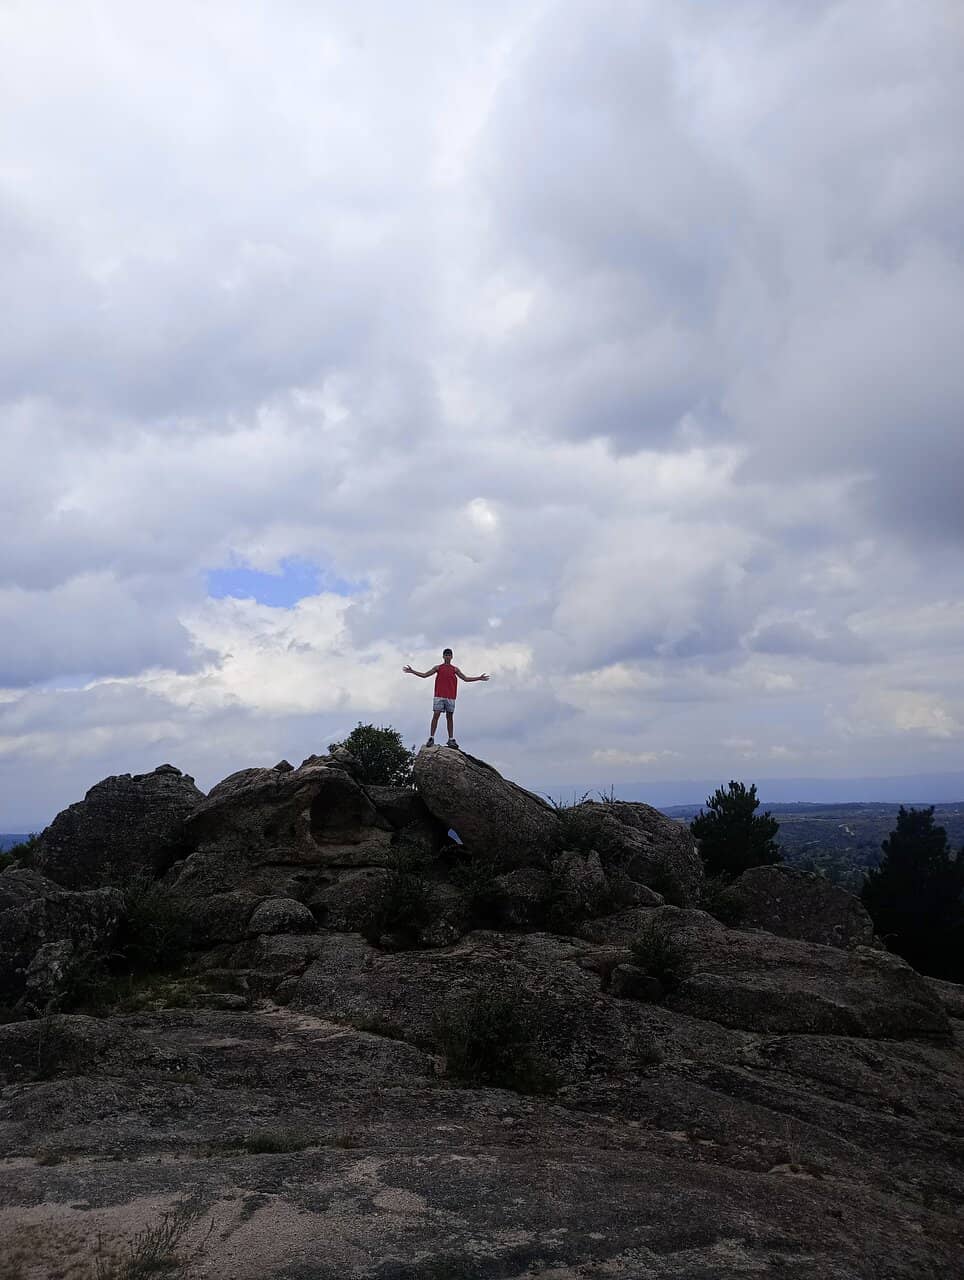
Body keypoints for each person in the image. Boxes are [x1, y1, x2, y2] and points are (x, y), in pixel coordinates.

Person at [402, 648, 489, 748]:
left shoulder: (455, 669)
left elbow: (465, 678)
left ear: (451, 657)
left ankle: (451, 739)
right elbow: (425, 675)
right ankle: (431, 737)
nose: (447, 656)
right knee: (436, 715)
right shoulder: (438, 668)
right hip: (439, 695)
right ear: (443, 656)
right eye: (446, 655)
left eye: (449, 655)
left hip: (450, 696)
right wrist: (412, 671)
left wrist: (479, 678)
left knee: (450, 717)